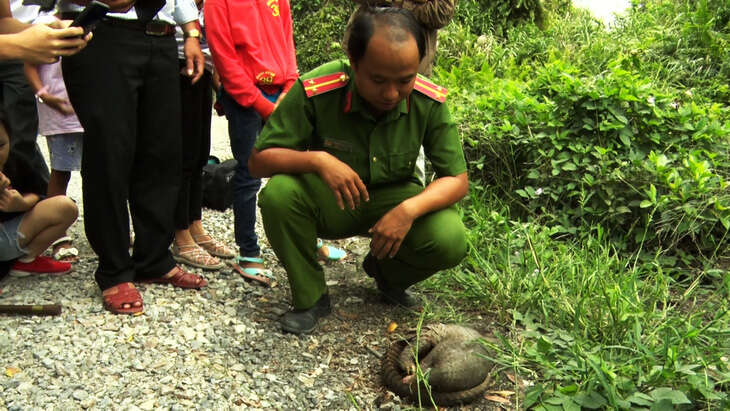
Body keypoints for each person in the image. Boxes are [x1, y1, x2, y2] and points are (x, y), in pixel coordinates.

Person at [249, 7, 469, 334]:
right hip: (336, 201)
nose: (392, 93)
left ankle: (387, 273)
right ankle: (311, 297)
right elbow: (259, 160)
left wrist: (409, 210)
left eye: (405, 80)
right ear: (354, 63)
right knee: (279, 196)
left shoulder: (428, 101)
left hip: (394, 201)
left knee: (451, 237)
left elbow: (457, 179)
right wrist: (319, 161)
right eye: (378, 80)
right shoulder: (319, 89)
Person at [59, 0, 208, 315]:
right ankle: (114, 269)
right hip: (104, 34)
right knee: (110, 155)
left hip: (162, 37)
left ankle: (154, 259)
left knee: (162, 153)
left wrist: (191, 31)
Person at [205, 0, 346, 279]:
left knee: (297, 164)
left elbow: (286, 41)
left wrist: (290, 87)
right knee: (248, 172)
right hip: (244, 98)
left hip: (282, 93)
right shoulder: (217, 3)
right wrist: (263, 105)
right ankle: (248, 252)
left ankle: (308, 239)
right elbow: (225, 60)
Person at [171, 0, 234, 270]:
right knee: (181, 153)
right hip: (174, 62)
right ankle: (179, 233)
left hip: (204, 66)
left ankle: (194, 223)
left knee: (199, 152)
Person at [22, 12, 83, 263]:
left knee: (99, 172)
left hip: (88, 109)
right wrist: (43, 94)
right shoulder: (44, 23)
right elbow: (28, 62)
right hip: (60, 110)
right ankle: (58, 235)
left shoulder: (95, 21)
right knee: (60, 171)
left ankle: (107, 228)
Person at [0, 109, 78, 283]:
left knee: (65, 207)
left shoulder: (17, 159)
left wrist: (20, 203)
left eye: (1, 145)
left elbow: (40, 194)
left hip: (11, 236)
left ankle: (25, 261)